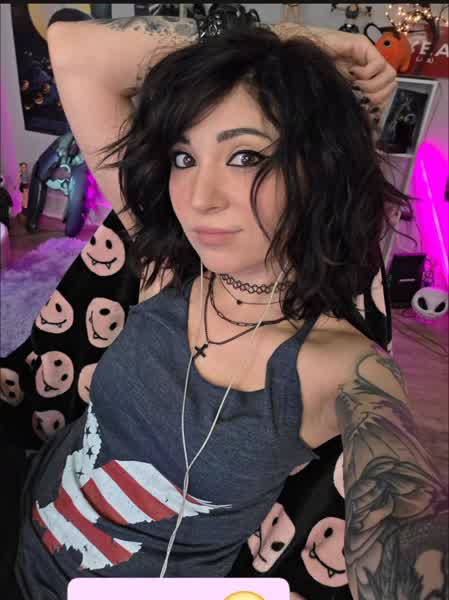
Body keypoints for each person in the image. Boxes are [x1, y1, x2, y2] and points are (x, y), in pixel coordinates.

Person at [3, 13, 447, 600]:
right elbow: (74, 48)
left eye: (245, 157)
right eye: (184, 158)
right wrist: (299, 45)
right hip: (24, 510)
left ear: (319, 167)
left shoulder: (345, 366)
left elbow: (410, 562)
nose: (199, 199)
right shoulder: (167, 264)